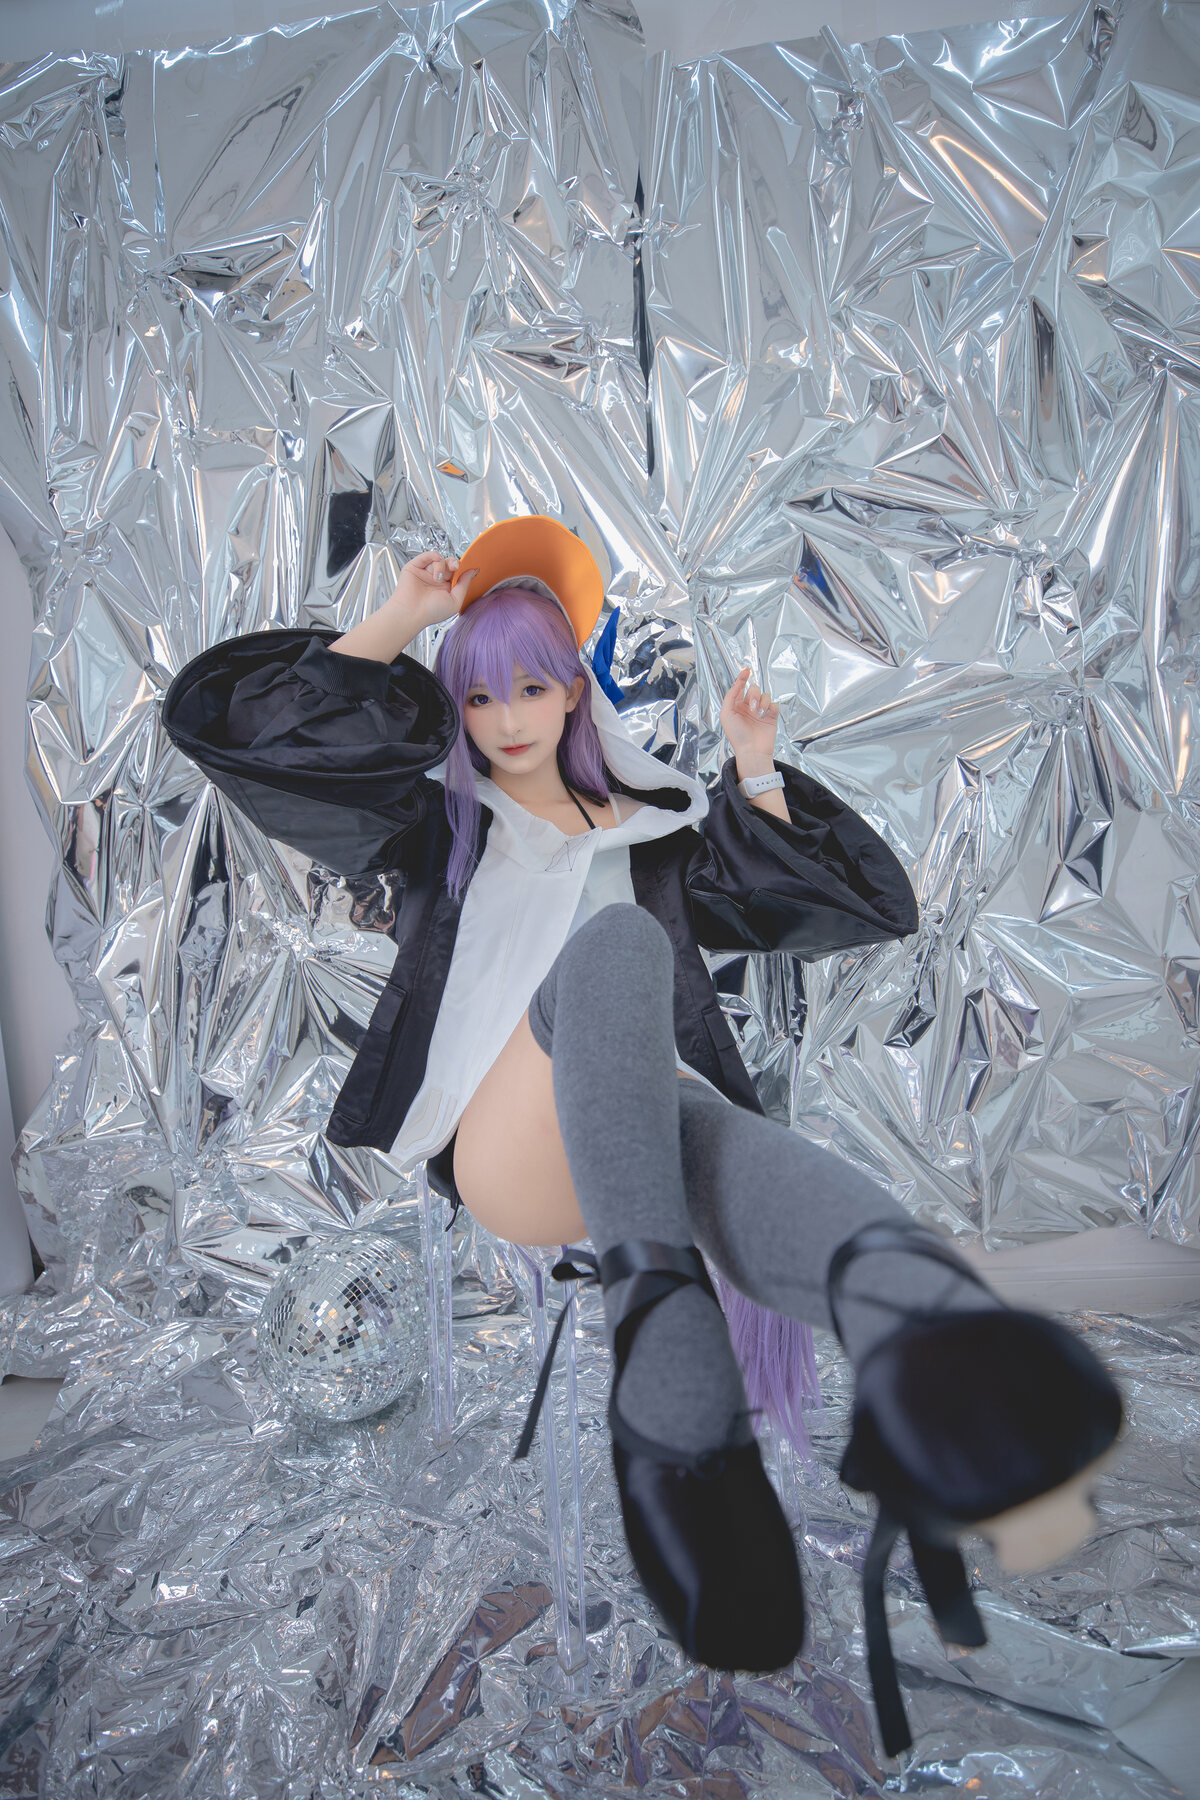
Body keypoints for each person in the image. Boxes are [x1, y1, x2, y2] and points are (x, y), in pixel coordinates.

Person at [163, 514, 1122, 1756]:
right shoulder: (428, 824)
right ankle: (665, 1310)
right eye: (479, 694)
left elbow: (836, 904)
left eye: (532, 687)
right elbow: (260, 733)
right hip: (509, 1155)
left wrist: (756, 770)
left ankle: (919, 1326)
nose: (507, 718)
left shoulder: (655, 830)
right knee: (613, 951)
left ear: (575, 691)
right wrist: (401, 619)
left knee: (704, 1119)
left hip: (647, 1136)